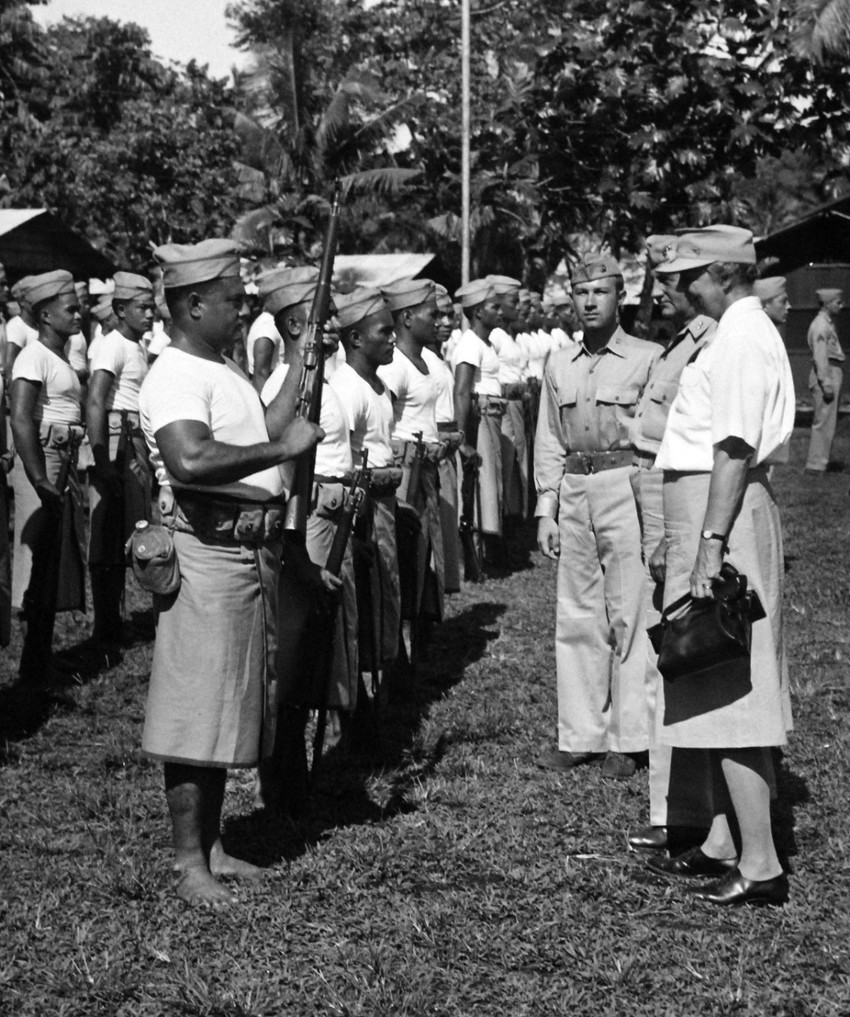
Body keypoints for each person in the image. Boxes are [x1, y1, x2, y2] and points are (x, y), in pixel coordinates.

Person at [138, 239, 322, 904]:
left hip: (242, 554)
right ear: (192, 304)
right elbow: (188, 460)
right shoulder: (177, 375)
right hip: (207, 553)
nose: (244, 311)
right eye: (233, 300)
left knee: (221, 707)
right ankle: (189, 864)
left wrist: (302, 358)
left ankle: (212, 845)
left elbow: (261, 431)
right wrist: (282, 446)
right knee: (195, 717)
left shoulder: (219, 367)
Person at [648, 225, 795, 907]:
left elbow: (733, 449)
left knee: (732, 688)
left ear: (720, 274)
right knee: (707, 676)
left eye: (686, 278)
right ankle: (722, 841)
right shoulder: (733, 329)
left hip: (723, 516)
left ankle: (761, 862)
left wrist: (709, 542)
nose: (676, 291)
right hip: (705, 514)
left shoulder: (740, 336)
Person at [534, 254, 660, 779]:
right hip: (575, 488)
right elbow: (548, 438)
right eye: (580, 293)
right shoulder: (558, 363)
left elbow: (656, 440)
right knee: (578, 612)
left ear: (619, 298)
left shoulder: (648, 358)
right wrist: (547, 509)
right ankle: (580, 732)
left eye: (600, 293)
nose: (589, 302)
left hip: (624, 484)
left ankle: (630, 739)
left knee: (631, 610)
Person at [255, 266, 358, 807]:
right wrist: (297, 549)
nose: (338, 323)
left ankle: (297, 774)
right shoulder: (284, 386)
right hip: (302, 522)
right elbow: (287, 466)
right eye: (327, 317)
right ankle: (284, 779)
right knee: (294, 651)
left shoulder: (325, 378)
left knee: (315, 646)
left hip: (321, 518)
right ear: (297, 326)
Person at [627, 235, 716, 852]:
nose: (659, 289)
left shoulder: (709, 346)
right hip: (659, 502)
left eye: (668, 278)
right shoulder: (679, 346)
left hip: (681, 505)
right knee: (670, 661)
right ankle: (677, 811)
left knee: (685, 658)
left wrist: (667, 536)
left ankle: (688, 816)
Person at [10, 271, 87, 686]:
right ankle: (30, 668)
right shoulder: (32, 357)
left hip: (63, 458)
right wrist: (39, 477)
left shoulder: (61, 358)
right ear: (44, 315)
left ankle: (39, 657)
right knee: (36, 560)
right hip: (44, 460)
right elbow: (21, 418)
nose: (80, 314)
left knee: (51, 562)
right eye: (71, 308)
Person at [330, 287, 402, 689]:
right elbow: (342, 464)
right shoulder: (347, 389)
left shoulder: (376, 385)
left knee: (386, 590)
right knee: (366, 597)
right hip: (363, 511)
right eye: (384, 332)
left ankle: (381, 673)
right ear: (355, 339)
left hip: (383, 505)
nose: (393, 339)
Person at [86, 272, 155, 653]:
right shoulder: (112, 345)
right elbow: (96, 400)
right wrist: (102, 460)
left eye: (151, 306)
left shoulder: (136, 346)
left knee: (126, 532)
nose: (150, 314)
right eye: (142, 308)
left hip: (133, 440)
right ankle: (106, 624)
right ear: (119, 310)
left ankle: (114, 619)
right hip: (116, 441)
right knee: (108, 532)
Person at [378, 278, 444, 661]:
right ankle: (398, 646)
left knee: (423, 549)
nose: (438, 320)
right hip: (404, 466)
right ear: (406, 317)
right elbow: (384, 425)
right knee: (403, 551)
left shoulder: (427, 361)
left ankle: (416, 633)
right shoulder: (395, 367)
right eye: (431, 314)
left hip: (425, 465)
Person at [452, 279, 505, 560]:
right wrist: (462, 436)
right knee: (481, 483)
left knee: (489, 481)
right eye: (494, 307)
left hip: (492, 415)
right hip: (480, 416)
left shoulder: (486, 343)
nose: (500, 311)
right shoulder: (469, 344)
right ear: (478, 312)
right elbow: (461, 390)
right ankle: (476, 553)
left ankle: (485, 549)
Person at [425, 284, 462, 594]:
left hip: (446, 451)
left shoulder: (437, 357)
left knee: (445, 533)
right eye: (438, 315)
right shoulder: (412, 360)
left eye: (450, 315)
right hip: (430, 452)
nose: (447, 322)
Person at [487, 276, 530, 528]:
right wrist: (516, 388)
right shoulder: (494, 336)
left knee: (516, 464)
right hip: (503, 404)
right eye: (513, 301)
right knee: (504, 466)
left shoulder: (506, 335)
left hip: (515, 403)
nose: (518, 307)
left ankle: (514, 521)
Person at [804, 287, 845, 473]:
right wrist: (826, 383)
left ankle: (821, 462)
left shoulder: (827, 323)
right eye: (838, 302)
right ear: (828, 304)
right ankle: (815, 465)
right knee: (823, 421)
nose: (841, 306)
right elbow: (820, 356)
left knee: (828, 421)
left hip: (830, 371)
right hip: (826, 373)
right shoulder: (821, 325)